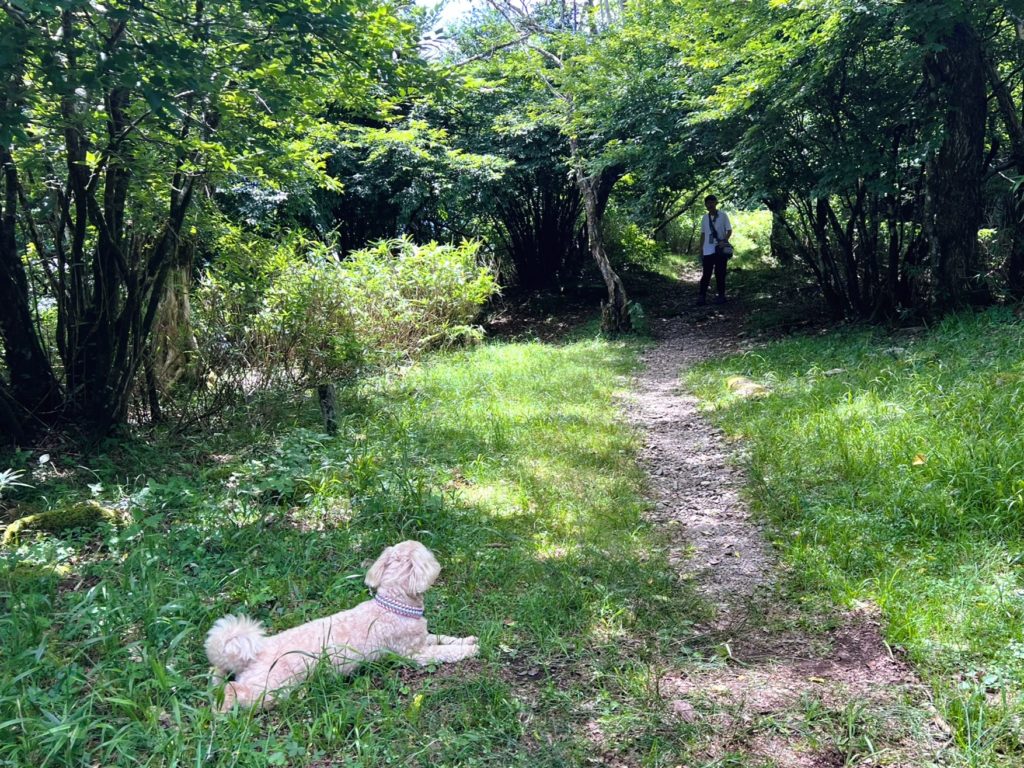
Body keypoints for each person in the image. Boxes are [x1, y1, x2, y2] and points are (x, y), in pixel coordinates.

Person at [698, 195, 732, 305]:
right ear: (705, 205)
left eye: (712, 202)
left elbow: (729, 230)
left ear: (716, 203)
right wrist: (701, 248)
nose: (710, 205)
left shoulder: (723, 215)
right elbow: (703, 234)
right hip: (707, 250)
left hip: (720, 250)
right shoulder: (704, 218)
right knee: (706, 274)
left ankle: (721, 296)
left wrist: (724, 241)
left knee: (720, 274)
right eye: (708, 203)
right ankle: (702, 296)